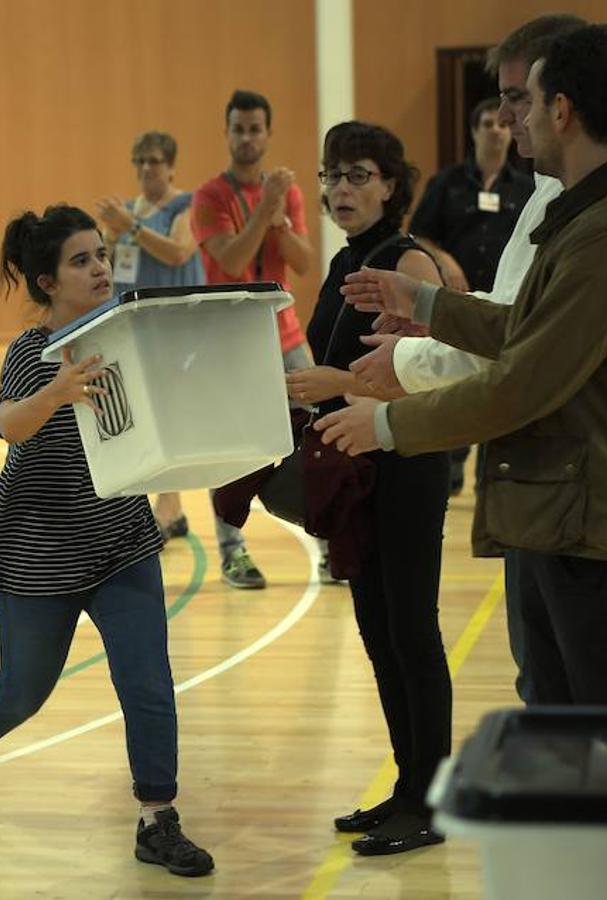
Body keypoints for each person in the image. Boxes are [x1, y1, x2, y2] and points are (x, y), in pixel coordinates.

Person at [321, 23, 607, 709]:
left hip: (602, 522)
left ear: (562, 110)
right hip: (576, 509)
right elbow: (533, 324)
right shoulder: (589, 210)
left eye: (522, 101)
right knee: (562, 731)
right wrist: (429, 303)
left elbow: (526, 381)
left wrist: (391, 425)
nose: (509, 120)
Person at [0, 206, 213, 879]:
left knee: (147, 683)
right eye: (81, 260)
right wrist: (57, 390)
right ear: (47, 281)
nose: (100, 269)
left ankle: (157, 818)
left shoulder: (126, 334)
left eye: (102, 255)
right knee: (24, 691)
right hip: (37, 546)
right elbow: (9, 426)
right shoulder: (33, 352)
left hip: (119, 537)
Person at [288, 121, 451, 854]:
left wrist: (332, 383)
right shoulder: (348, 258)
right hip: (355, 469)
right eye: (330, 176)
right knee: (379, 633)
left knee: (412, 631)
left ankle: (432, 800)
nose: (340, 189)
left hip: (405, 464)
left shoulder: (409, 260)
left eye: (356, 175)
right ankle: (407, 786)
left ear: (391, 183)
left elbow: (435, 371)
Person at [192, 89, 315, 589]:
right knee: (230, 446)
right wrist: (267, 208)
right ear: (227, 133)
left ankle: (328, 541)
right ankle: (233, 552)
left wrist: (279, 215)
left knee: (317, 435)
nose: (246, 137)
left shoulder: (288, 192)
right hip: (231, 342)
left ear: (267, 133)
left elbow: (305, 263)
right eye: (238, 128)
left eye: (255, 128)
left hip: (286, 335)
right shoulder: (210, 197)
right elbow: (234, 261)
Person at [409, 96, 535, 493]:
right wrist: (445, 261)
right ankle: (452, 468)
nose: (496, 130)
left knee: (498, 385)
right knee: (458, 383)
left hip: (505, 306)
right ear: (474, 131)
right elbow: (419, 234)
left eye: (501, 124)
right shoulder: (447, 183)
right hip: (458, 305)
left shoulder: (528, 187)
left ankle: (490, 475)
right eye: (486, 124)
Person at [94, 130, 204, 541]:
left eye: (154, 161)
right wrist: (107, 235)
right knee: (138, 414)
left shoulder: (185, 206)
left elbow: (178, 252)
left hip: (173, 326)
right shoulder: (125, 210)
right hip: (132, 327)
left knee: (167, 414)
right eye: (139, 161)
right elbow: (106, 265)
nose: (145, 169)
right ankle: (152, 508)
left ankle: (170, 506)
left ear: (171, 165)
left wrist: (131, 228)